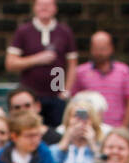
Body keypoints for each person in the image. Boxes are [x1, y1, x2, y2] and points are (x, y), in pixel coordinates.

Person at [6, 0, 78, 129]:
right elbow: (10, 63)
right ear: (34, 8)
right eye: (40, 4)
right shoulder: (23, 31)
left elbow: (72, 64)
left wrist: (66, 91)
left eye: (48, 4)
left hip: (57, 96)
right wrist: (37, 59)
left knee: (56, 134)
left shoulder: (65, 32)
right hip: (31, 98)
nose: (44, 8)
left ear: (55, 8)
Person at [72, 31, 129, 129]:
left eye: (103, 49)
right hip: (89, 128)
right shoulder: (81, 72)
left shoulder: (124, 71)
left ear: (111, 48)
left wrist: (124, 128)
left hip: (115, 128)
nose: (99, 53)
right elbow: (75, 102)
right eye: (96, 49)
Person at [52, 93, 105, 163]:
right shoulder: (56, 150)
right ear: (68, 120)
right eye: (76, 116)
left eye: (85, 117)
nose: (81, 121)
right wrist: (66, 140)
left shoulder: (101, 149)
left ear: (93, 121)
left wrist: (93, 146)